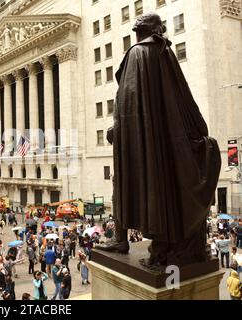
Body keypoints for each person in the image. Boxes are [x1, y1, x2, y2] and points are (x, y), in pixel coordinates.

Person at [96, 13, 221, 268]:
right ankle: (142, 243)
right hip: (164, 142)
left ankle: (125, 241)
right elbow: (180, 98)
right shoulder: (164, 53)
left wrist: (118, 130)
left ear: (140, 32)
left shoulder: (139, 54)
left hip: (140, 142)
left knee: (122, 184)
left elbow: (128, 102)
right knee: (151, 188)